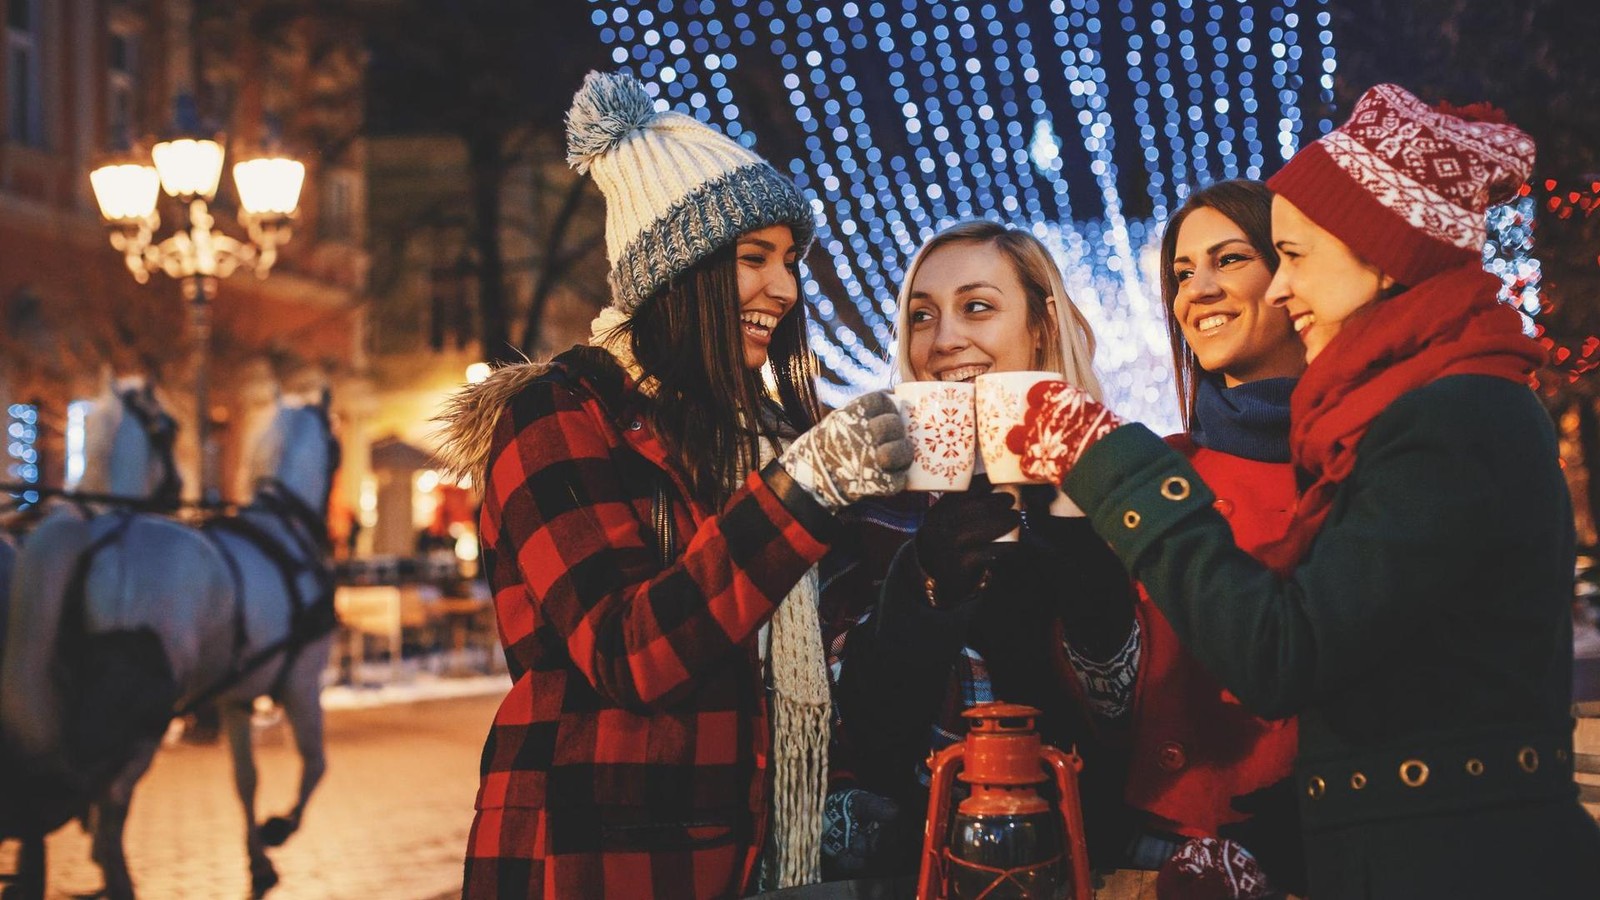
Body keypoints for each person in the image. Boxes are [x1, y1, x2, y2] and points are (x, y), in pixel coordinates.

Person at [1007, 83, 1600, 897]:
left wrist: (1112, 459)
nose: (1283, 289)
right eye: (1183, 271)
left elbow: (1287, 654)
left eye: (1294, 256)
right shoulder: (1406, 415)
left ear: (1381, 250)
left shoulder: (1447, 417)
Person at [438, 70, 912, 899]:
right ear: (676, 274)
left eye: (791, 260)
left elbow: (822, 653)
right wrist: (806, 485)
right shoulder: (555, 417)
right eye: (753, 259)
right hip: (598, 863)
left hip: (757, 864)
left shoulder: (760, 439)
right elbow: (629, 652)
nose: (787, 289)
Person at [826, 220, 1137, 878]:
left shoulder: (1117, 480)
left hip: (1089, 862)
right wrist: (924, 590)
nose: (943, 340)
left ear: (1041, 327)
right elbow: (859, 743)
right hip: (917, 867)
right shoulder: (867, 507)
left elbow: (1140, 727)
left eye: (977, 307)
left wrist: (1084, 568)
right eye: (921, 315)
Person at [1123, 179, 1307, 895]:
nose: (1196, 290)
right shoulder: (1154, 470)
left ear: (1291, 273)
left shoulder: (1367, 465)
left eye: (1227, 260)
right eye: (1180, 273)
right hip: (1150, 850)